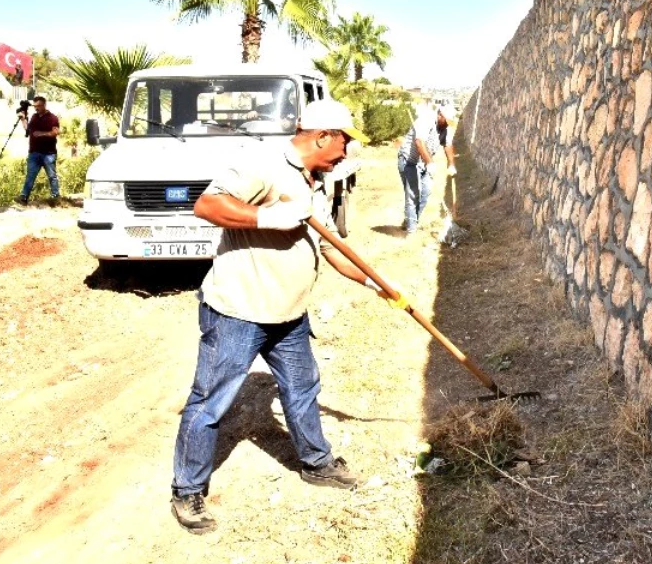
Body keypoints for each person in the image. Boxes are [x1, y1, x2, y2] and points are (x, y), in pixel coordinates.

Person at [170, 98, 387, 535]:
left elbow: (328, 248)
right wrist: (267, 215)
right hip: (239, 310)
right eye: (343, 142)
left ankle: (315, 462)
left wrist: (373, 284)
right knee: (210, 401)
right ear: (322, 135)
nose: (345, 152)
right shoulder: (263, 163)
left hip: (288, 314)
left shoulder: (317, 181)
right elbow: (207, 206)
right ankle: (187, 490)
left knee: (303, 388)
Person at [397, 102, 456, 235]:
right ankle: (411, 231)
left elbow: (448, 145)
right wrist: (429, 162)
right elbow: (419, 142)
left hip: (424, 163)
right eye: (446, 120)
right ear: (440, 114)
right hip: (409, 161)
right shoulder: (426, 120)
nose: (447, 124)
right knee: (413, 194)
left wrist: (451, 164)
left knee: (426, 192)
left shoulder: (445, 128)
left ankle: (411, 220)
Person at [17, 96, 60, 206]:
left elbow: (55, 132)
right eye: (35, 106)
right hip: (34, 152)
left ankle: (56, 197)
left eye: (39, 106)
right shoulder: (34, 117)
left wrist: (42, 134)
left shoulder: (52, 118)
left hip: (48, 153)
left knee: (52, 176)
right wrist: (23, 119)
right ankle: (24, 197)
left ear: (44, 105)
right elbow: (28, 130)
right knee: (30, 175)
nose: (37, 108)